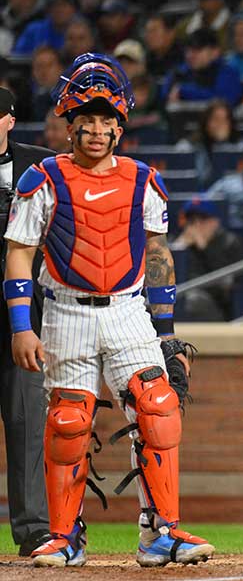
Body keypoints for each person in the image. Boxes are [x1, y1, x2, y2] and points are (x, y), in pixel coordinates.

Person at [3, 53, 214, 566]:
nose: (97, 130)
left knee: (158, 409)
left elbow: (159, 254)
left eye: (107, 120)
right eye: (87, 120)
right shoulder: (42, 179)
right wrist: (20, 327)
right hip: (65, 312)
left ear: (119, 126)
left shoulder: (145, 179)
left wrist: (167, 334)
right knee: (69, 421)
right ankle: (64, 536)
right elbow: (19, 252)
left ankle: (161, 532)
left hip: (127, 311)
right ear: (69, 123)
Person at [0, 86, 52, 558]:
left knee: (27, 423)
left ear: (9, 120)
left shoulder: (41, 167)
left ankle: (35, 529)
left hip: (23, 320)